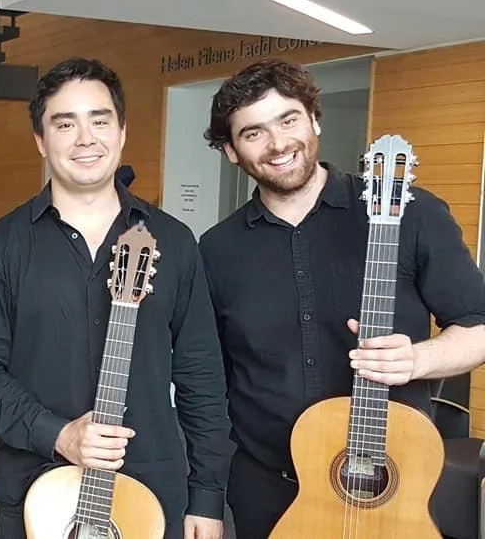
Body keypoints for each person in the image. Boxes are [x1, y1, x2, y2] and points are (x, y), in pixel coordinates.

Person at [199, 57, 485, 539]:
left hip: (392, 489)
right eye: (253, 132)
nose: (278, 144)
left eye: (288, 120)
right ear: (231, 150)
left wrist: (418, 359)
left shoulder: (410, 214)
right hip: (266, 488)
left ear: (314, 120)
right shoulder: (216, 249)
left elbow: (478, 323)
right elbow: (209, 381)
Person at [0, 57, 231, 539]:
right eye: (65, 124)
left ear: (121, 132)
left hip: (152, 492)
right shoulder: (3, 245)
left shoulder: (175, 241)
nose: (85, 138)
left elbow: (200, 374)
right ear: (41, 141)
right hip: (37, 493)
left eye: (99, 121)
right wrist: (57, 434)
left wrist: (207, 494)